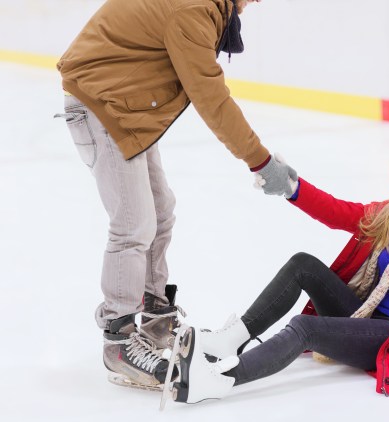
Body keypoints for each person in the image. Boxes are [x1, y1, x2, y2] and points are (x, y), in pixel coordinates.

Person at [54, 0, 297, 389]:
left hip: (124, 104)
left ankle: (153, 318)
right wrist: (260, 161)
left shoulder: (206, 8)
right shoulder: (193, 10)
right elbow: (210, 97)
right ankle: (118, 339)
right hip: (101, 102)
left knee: (161, 212)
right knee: (133, 224)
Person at [162, 141, 389, 404]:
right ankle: (228, 341)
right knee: (303, 264)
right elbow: (337, 213)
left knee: (304, 328)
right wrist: (291, 187)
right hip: (363, 315)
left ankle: (220, 381)